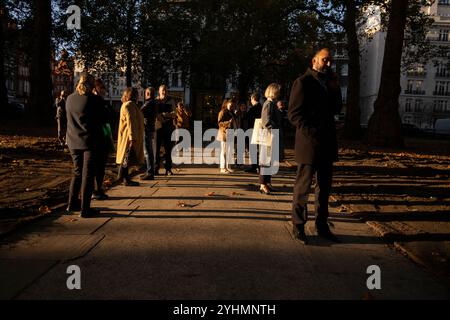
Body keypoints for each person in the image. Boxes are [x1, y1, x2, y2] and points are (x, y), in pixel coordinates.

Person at [288, 48, 343, 245]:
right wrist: (311, 133)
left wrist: (336, 88)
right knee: (303, 188)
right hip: (309, 145)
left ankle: (322, 226)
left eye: (331, 61)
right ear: (314, 60)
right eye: (325, 60)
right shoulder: (302, 82)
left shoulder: (329, 83)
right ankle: (298, 226)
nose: (329, 64)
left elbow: (337, 109)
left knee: (324, 189)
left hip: (327, 145)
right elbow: (294, 114)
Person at [65, 74, 105, 218]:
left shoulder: (69, 99)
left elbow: (66, 119)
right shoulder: (94, 100)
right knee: (88, 175)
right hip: (89, 142)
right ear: (91, 85)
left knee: (77, 172)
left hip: (72, 140)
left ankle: (72, 203)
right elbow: (104, 118)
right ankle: (85, 209)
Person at [116, 87, 145, 186]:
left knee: (127, 159)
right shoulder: (129, 105)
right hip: (128, 137)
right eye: (137, 94)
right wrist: (132, 138)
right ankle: (124, 179)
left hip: (131, 136)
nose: (138, 96)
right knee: (127, 158)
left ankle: (125, 178)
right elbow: (130, 122)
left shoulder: (132, 105)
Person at [91, 79, 113, 200]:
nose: (104, 90)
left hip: (103, 138)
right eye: (102, 88)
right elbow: (107, 117)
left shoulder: (103, 102)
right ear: (95, 89)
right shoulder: (94, 102)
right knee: (97, 166)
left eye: (104, 88)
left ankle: (98, 189)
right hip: (97, 139)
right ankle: (95, 190)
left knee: (101, 167)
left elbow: (110, 117)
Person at [259, 83, 282, 195]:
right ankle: (263, 184)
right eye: (278, 91)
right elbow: (266, 121)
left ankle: (267, 183)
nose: (279, 93)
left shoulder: (271, 103)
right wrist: (274, 130)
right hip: (269, 136)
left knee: (269, 160)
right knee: (265, 161)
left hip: (271, 135)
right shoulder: (268, 104)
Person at [155, 85, 176, 175]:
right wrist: (166, 115)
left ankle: (168, 169)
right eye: (163, 90)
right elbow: (154, 113)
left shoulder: (171, 101)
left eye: (166, 90)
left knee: (168, 148)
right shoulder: (156, 101)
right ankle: (156, 168)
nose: (164, 92)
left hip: (168, 127)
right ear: (159, 91)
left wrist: (164, 115)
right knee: (156, 148)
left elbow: (174, 114)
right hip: (158, 127)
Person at [140, 87, 158, 180]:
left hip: (147, 128)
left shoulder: (149, 103)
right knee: (149, 150)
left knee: (147, 151)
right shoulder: (154, 103)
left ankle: (150, 172)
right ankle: (150, 171)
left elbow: (140, 112)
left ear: (147, 94)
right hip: (151, 128)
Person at [217, 98, 236, 174]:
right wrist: (228, 122)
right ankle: (222, 168)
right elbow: (219, 123)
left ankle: (228, 167)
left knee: (229, 151)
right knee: (224, 151)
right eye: (231, 105)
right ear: (226, 104)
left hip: (230, 132)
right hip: (224, 133)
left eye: (233, 105)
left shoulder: (231, 112)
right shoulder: (222, 112)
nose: (232, 106)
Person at [245, 92, 263, 173]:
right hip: (260, 131)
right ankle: (259, 166)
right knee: (259, 149)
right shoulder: (262, 107)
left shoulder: (252, 109)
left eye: (251, 99)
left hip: (252, 131)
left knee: (252, 149)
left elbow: (248, 120)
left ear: (253, 99)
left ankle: (254, 166)